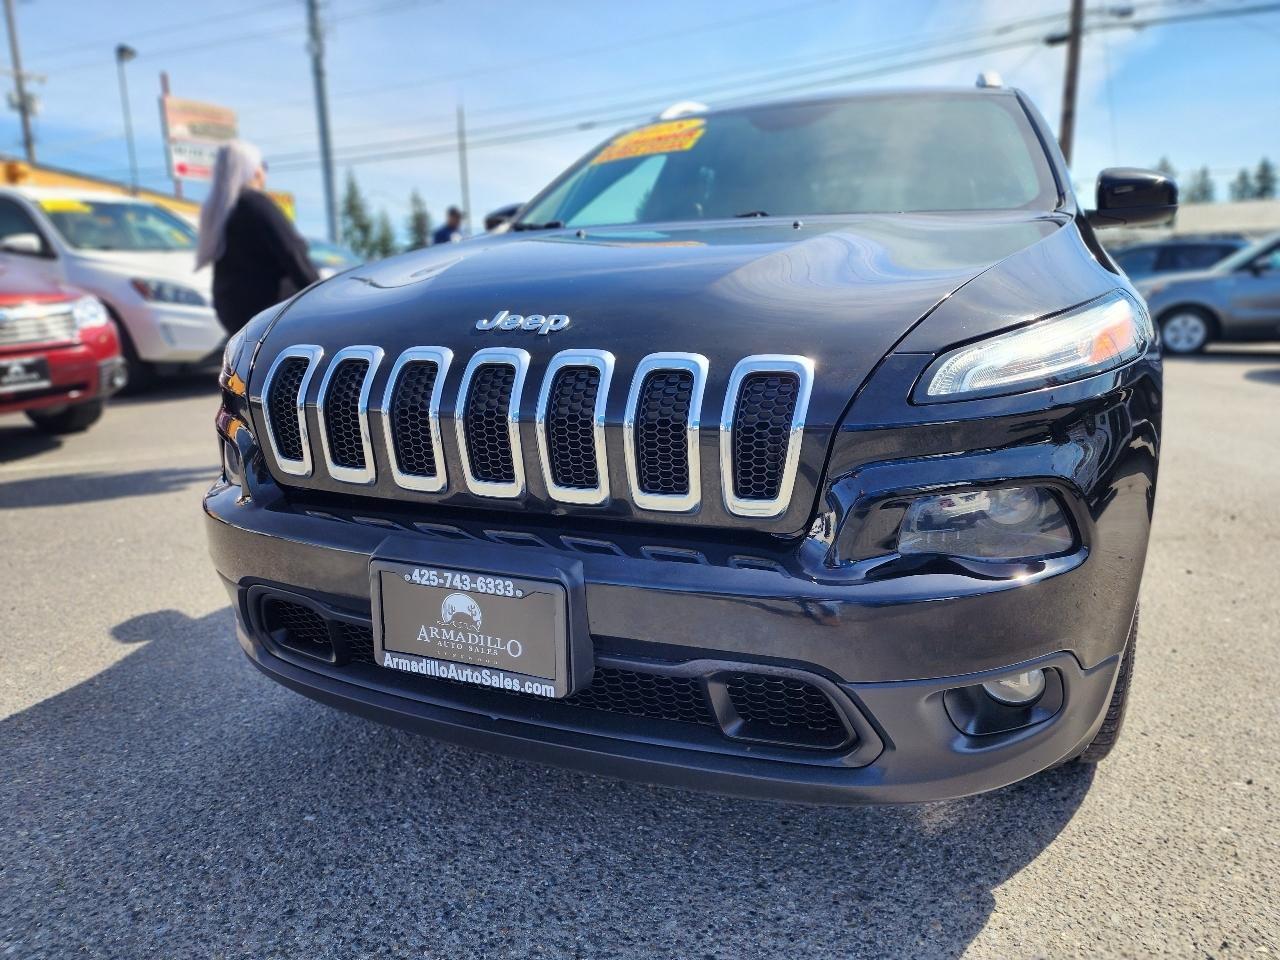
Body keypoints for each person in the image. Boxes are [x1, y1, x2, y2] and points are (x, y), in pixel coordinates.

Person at [196, 140, 319, 335]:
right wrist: (319, 293)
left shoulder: (218, 210)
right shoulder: (255, 203)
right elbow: (292, 251)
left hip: (232, 310)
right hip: (270, 310)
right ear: (254, 170)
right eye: (263, 165)